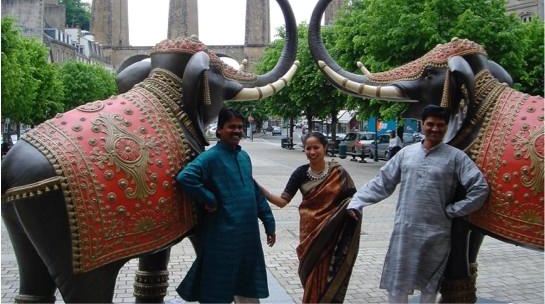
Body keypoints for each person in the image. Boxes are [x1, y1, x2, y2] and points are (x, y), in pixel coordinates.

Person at [347, 105, 489, 304]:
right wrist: (357, 202)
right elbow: (382, 182)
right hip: (404, 232)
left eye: (440, 125)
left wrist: (455, 210)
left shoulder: (456, 157)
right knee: (397, 285)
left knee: (429, 289)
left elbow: (480, 187)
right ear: (422, 125)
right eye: (430, 124)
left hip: (437, 234)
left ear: (446, 127)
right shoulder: (406, 154)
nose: (435, 129)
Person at [176, 107, 276, 303]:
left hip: (248, 238)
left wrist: (268, 222)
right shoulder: (210, 157)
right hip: (222, 237)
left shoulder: (244, 157)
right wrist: (210, 199)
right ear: (219, 130)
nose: (237, 131)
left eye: (240, 127)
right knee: (217, 289)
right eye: (232, 127)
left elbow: (254, 192)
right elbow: (185, 177)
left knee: (247, 285)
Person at [260, 131, 361, 303]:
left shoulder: (339, 172)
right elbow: (283, 201)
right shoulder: (300, 173)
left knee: (329, 277)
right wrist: (260, 189)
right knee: (311, 277)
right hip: (310, 235)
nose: (312, 152)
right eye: (308, 148)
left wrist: (352, 210)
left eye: (316, 147)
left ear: (325, 148)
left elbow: (353, 199)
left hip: (332, 234)